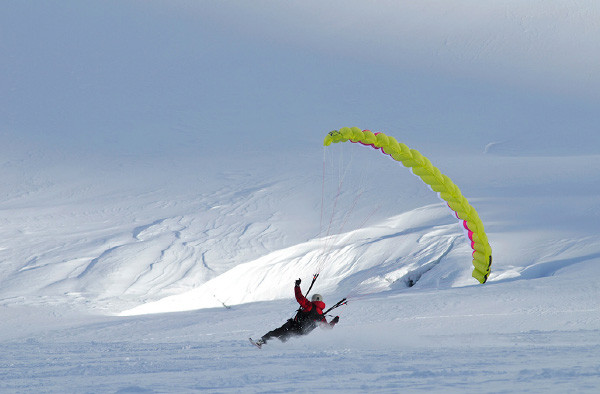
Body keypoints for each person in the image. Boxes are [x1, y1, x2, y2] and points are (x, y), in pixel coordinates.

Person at [251, 278, 339, 348]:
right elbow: (327, 328)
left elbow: (299, 297)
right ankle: (273, 348)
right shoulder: (321, 316)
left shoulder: (310, 306)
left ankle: (261, 342)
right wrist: (334, 321)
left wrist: (297, 286)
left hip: (294, 325)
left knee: (277, 332)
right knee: (284, 338)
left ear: (314, 300)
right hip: (301, 332)